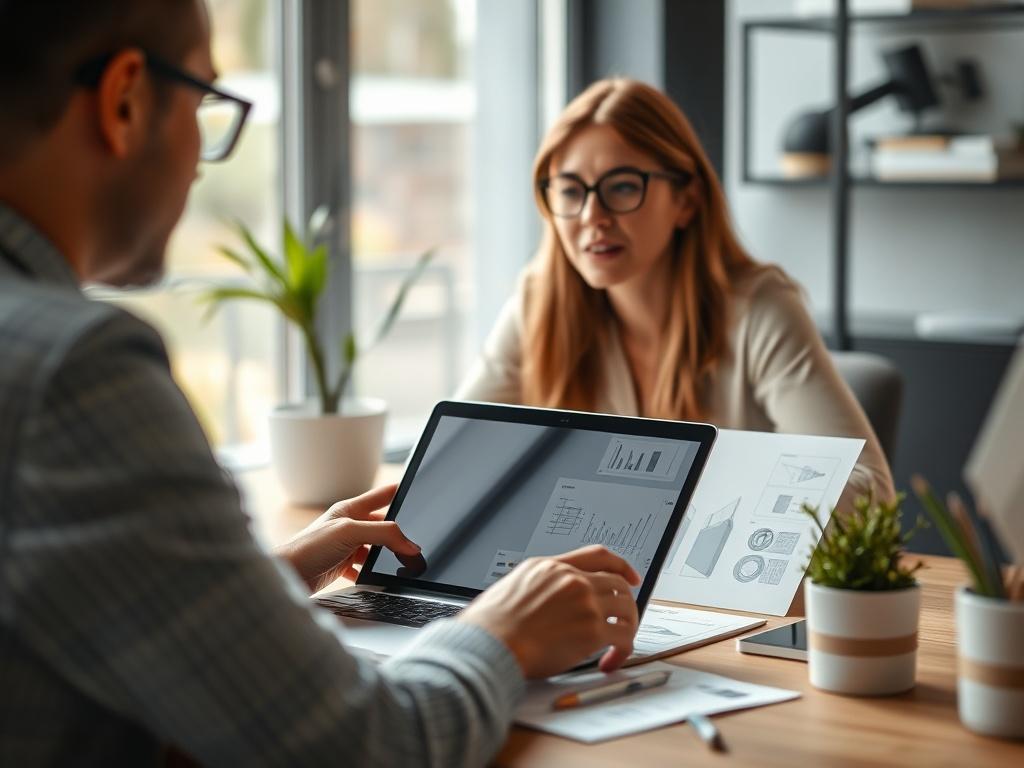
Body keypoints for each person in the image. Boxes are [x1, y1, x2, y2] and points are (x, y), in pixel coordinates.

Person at [0, 2, 642, 766]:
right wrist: (500, 631)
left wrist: (256, 588)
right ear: (126, 100)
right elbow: (364, 747)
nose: (204, 155)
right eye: (207, 103)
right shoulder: (75, 371)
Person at [458, 78, 895, 507]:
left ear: (687, 200)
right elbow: (453, 458)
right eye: (571, 191)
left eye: (624, 186)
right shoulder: (540, 302)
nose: (593, 215)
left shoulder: (760, 310)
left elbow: (870, 492)